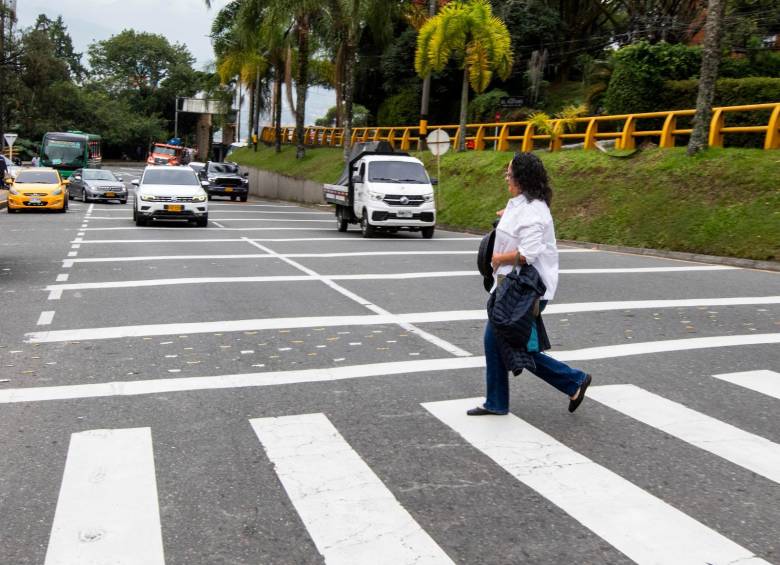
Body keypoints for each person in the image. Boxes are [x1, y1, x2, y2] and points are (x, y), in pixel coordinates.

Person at [468, 152, 592, 416]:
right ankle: (569, 382)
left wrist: (499, 258)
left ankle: (572, 380)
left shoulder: (534, 212)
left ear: (521, 178)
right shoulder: (523, 203)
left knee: (507, 343)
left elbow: (528, 254)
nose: (506, 176)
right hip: (513, 285)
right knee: (502, 342)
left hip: (526, 288)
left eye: (510, 173)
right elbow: (516, 222)